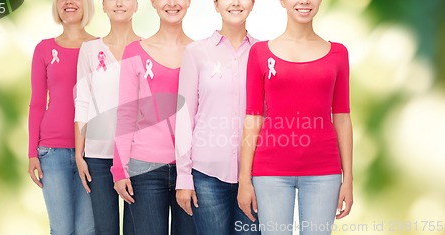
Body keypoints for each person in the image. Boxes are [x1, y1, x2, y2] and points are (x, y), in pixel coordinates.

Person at [237, 0, 353, 234]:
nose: (304, 1)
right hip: (270, 172)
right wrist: (244, 180)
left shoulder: (338, 53)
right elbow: (253, 119)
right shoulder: (260, 53)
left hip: (324, 172)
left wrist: (348, 178)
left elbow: (342, 117)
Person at [174, 0, 260, 234]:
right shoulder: (196, 52)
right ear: (216, 4)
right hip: (207, 177)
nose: (235, 3)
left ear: (253, 4)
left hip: (254, 176)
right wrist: (183, 177)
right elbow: (184, 116)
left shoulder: (263, 53)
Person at [111, 0, 197, 234]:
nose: (172, 3)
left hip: (191, 170)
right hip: (145, 169)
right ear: (153, 3)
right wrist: (119, 169)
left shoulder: (201, 53)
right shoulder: (135, 52)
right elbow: (126, 112)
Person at [27, 0, 96, 234]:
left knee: (87, 229)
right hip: (52, 151)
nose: (68, 2)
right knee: (62, 229)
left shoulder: (100, 47)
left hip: (92, 151)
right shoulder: (44, 49)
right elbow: (37, 103)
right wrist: (31, 153)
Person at [74, 0, 141, 234]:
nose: (119, 3)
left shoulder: (148, 48)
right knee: (105, 229)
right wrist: (79, 153)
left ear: (137, 5)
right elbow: (82, 101)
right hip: (98, 157)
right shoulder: (90, 50)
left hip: (138, 158)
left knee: (136, 230)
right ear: (103, 6)